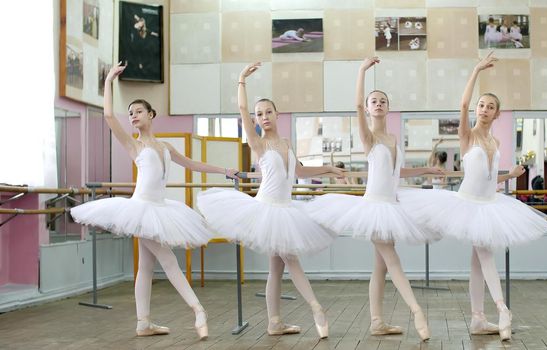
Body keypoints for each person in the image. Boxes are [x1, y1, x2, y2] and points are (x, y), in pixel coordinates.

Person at [70, 63, 239, 340]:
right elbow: (110, 115)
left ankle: (143, 323)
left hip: (160, 208)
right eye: (131, 113)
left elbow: (193, 164)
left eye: (138, 111)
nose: (133, 115)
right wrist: (109, 80)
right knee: (168, 260)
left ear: (151, 114)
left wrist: (224, 170)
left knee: (146, 267)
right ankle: (198, 310)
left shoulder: (166, 147)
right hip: (140, 209)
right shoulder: (134, 145)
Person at [403, 52, 547, 341]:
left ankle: (478, 319)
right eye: (481, 105)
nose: (483, 109)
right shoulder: (466, 136)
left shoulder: (496, 141)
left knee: (477, 263)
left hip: (488, 204)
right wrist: (476, 70)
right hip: (468, 204)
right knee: (485, 255)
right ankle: (502, 308)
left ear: (497, 114)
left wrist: (511, 175)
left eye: (490, 107)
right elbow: (462, 104)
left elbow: (489, 179)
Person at [196, 62, 343, 339]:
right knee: (291, 259)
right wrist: (241, 80)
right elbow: (241, 111)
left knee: (276, 269)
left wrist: (330, 169)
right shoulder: (258, 144)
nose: (264, 117)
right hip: (266, 208)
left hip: (286, 210)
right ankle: (316, 307)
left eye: (268, 112)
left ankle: (275, 322)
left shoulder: (286, 143)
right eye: (259, 114)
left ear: (277, 114)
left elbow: (299, 171)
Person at [306, 57, 443, 341]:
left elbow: (395, 171)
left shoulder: (393, 138)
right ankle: (416, 310)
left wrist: (425, 169)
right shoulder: (368, 138)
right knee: (392, 261)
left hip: (392, 205)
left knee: (381, 266)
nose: (378, 104)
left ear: (388, 108)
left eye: (382, 101)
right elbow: (356, 105)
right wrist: (361, 71)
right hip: (374, 207)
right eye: (373, 101)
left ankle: (377, 321)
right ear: (368, 109)